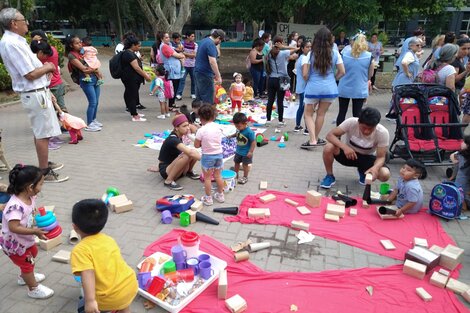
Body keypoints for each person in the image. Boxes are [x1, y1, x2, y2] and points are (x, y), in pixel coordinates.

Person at [0, 8, 68, 182]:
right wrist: (49, 67)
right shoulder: (11, 43)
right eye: (24, 20)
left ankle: (43, 163)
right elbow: (30, 73)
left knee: (42, 131)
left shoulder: (17, 41)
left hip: (38, 91)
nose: (27, 23)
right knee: (42, 133)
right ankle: (43, 172)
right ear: (14, 24)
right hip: (34, 92)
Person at [71, 199, 138, 313]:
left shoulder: (80, 250)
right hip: (129, 285)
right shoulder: (108, 239)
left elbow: (88, 273)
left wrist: (90, 301)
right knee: (123, 303)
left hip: (109, 298)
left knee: (84, 306)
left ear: (75, 227)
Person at [0, 164, 54, 299]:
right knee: (27, 263)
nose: (42, 187)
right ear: (30, 187)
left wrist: (36, 214)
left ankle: (24, 276)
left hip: (24, 239)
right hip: (14, 243)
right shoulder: (15, 207)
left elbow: (30, 210)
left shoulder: (30, 196)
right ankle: (33, 288)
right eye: (40, 184)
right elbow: (13, 227)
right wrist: (34, 231)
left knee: (33, 253)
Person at [320, 107, 391, 188]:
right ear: (358, 122)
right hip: (348, 155)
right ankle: (329, 176)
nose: (366, 131)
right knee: (328, 147)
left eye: (370, 129)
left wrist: (375, 168)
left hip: (367, 159)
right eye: (363, 128)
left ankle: (362, 170)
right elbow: (330, 135)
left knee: (385, 174)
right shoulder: (351, 122)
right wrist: (345, 147)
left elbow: (381, 157)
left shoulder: (382, 132)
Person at [301, 27, 345, 149]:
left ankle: (312, 140)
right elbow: (342, 71)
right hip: (330, 88)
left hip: (313, 88)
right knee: (321, 114)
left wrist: (308, 81)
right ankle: (316, 137)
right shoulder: (335, 53)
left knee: (308, 114)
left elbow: (305, 74)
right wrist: (333, 78)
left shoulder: (311, 54)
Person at [66, 34, 104, 130]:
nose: (80, 44)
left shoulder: (83, 52)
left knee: (96, 102)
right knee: (92, 102)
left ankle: (94, 120)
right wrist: (96, 69)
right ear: (71, 45)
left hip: (95, 78)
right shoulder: (72, 55)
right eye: (77, 43)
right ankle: (89, 124)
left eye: (80, 42)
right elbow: (84, 69)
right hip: (86, 80)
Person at [155, 114, 201, 190]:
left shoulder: (179, 136)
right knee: (188, 154)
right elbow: (189, 153)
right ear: (176, 128)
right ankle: (168, 181)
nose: (188, 128)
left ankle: (189, 172)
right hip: (166, 171)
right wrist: (206, 161)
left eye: (187, 125)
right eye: (184, 126)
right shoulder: (172, 139)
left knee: (193, 151)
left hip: (174, 167)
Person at [336, 34, 374, 126]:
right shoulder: (369, 57)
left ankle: (338, 135)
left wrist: (336, 79)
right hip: (359, 87)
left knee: (342, 112)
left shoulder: (344, 54)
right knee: (357, 113)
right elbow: (371, 74)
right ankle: (356, 135)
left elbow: (339, 70)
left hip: (344, 86)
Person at [194, 104, 225, 206]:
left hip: (207, 156)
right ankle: (220, 196)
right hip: (219, 155)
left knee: (207, 178)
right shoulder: (218, 127)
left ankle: (208, 199)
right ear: (213, 116)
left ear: (201, 118)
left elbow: (196, 145)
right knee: (218, 176)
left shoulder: (201, 130)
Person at [265, 36, 297, 126]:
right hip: (282, 79)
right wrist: (284, 47)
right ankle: (280, 120)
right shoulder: (283, 53)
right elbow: (296, 49)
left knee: (270, 100)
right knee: (280, 100)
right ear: (280, 43)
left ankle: (268, 119)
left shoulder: (269, 52)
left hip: (271, 78)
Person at [120, 35, 151, 122]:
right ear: (133, 45)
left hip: (130, 78)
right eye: (138, 45)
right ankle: (134, 115)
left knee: (132, 94)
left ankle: (134, 111)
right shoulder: (129, 54)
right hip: (131, 78)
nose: (139, 47)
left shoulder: (129, 52)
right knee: (133, 95)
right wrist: (146, 76)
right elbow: (137, 68)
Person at [194, 29, 225, 104]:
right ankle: (206, 114)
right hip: (205, 73)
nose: (220, 42)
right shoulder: (211, 44)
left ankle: (198, 113)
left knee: (199, 96)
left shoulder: (203, 41)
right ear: (218, 37)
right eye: (221, 40)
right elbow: (212, 62)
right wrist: (218, 76)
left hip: (198, 71)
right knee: (207, 97)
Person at [160, 32, 185, 110]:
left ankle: (172, 103)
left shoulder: (168, 45)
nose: (168, 39)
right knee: (172, 88)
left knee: (175, 87)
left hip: (174, 69)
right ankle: (170, 106)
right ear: (162, 39)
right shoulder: (164, 46)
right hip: (171, 70)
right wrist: (181, 55)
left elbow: (178, 51)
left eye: (168, 37)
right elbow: (177, 55)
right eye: (166, 38)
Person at [232, 113, 256, 184]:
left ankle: (245, 177)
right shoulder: (239, 129)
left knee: (245, 165)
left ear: (245, 123)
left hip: (246, 153)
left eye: (239, 126)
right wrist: (230, 136)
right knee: (236, 163)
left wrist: (251, 152)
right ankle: (235, 175)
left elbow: (253, 142)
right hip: (238, 151)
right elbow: (237, 134)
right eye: (236, 126)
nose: (237, 128)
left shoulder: (249, 132)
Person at [294, 40, 312, 133]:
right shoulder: (304, 58)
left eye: (310, 47)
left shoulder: (302, 58)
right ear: (302, 48)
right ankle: (307, 128)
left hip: (301, 86)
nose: (309, 48)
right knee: (306, 107)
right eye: (307, 47)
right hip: (304, 87)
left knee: (302, 106)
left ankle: (298, 125)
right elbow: (305, 75)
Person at [176, 31, 198, 100]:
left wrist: (185, 53)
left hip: (193, 65)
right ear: (187, 36)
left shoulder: (195, 45)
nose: (193, 38)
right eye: (192, 36)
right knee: (182, 79)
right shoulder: (182, 44)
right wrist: (187, 54)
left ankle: (193, 93)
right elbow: (180, 52)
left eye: (194, 36)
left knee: (194, 80)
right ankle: (179, 94)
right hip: (184, 64)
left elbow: (194, 55)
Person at [452, 134, 470, 211]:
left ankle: (463, 204)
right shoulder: (461, 155)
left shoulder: (461, 155)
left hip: (463, 195)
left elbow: (453, 157)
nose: (462, 143)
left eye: (464, 142)